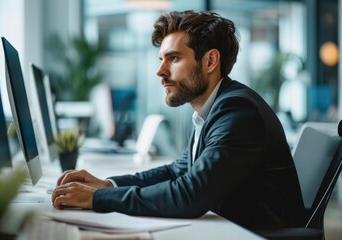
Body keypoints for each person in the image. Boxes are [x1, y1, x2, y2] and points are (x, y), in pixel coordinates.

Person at [52, 10, 306, 230]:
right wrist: (107, 184)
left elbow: (190, 195)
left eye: (173, 58)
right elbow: (177, 172)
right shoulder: (211, 109)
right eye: (162, 59)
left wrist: (96, 199)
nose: (160, 71)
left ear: (210, 61)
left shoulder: (238, 111)